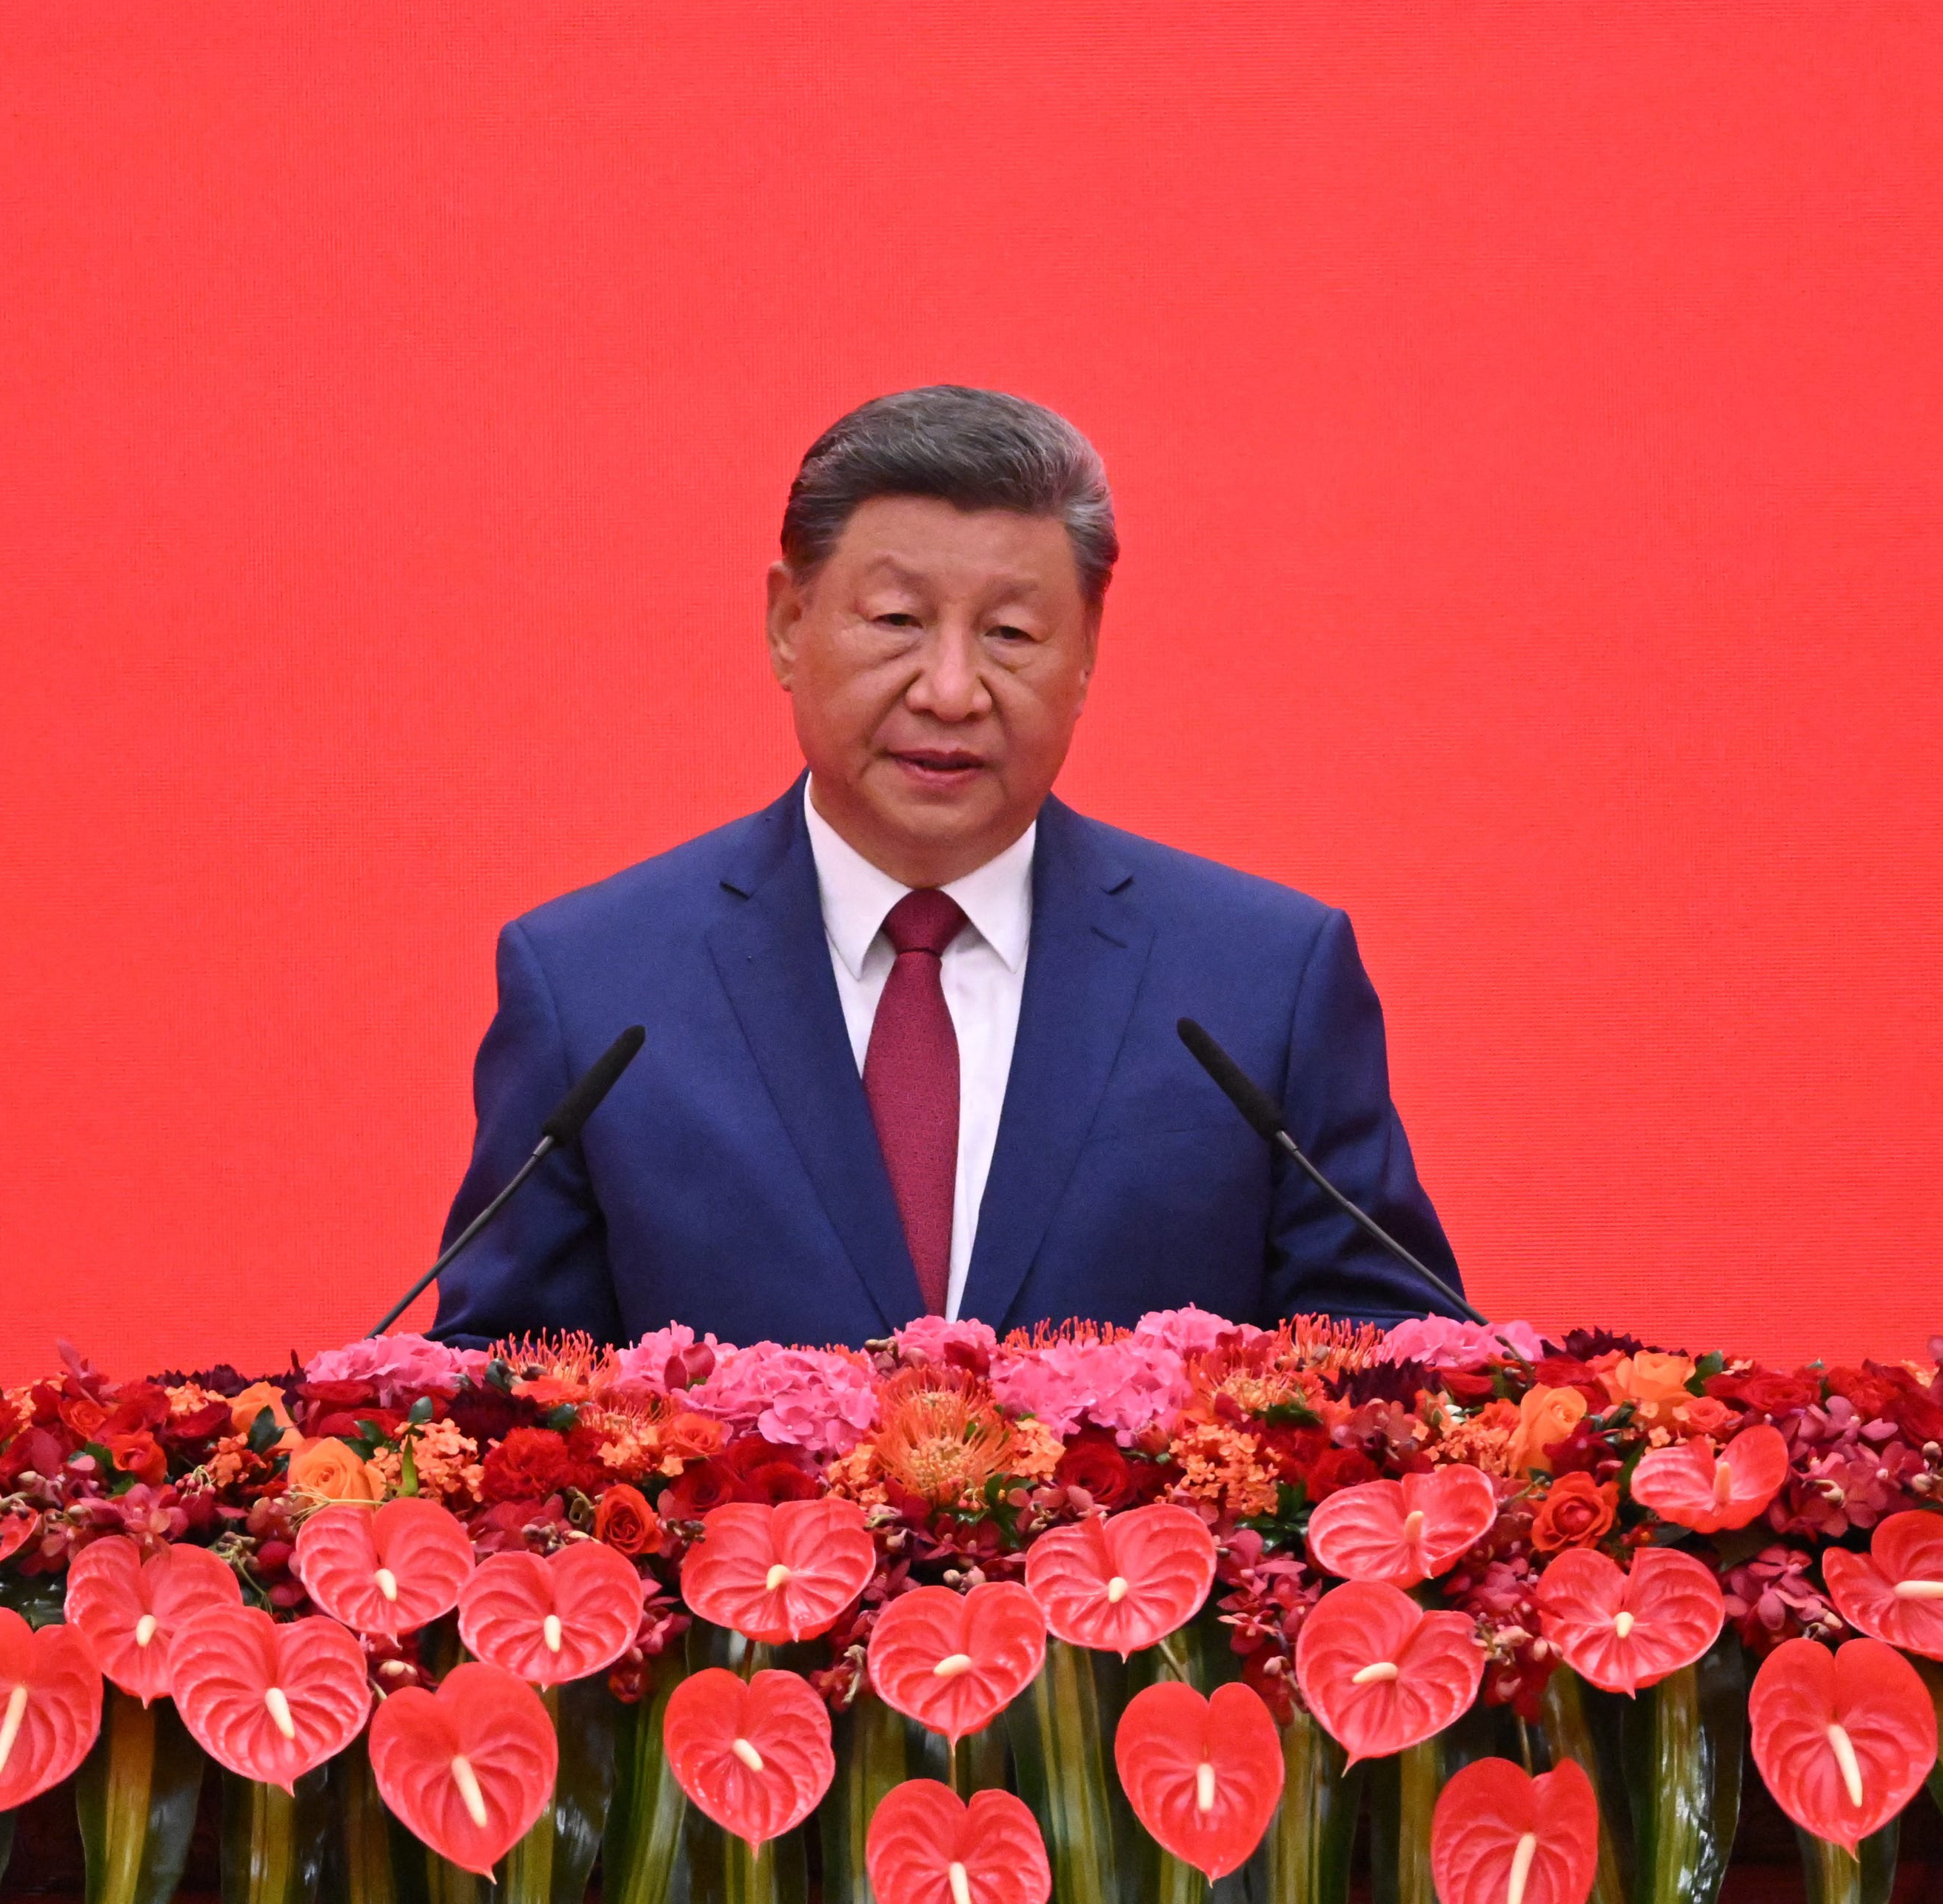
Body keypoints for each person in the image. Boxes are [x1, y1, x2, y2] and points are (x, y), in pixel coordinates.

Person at [432, 385, 1461, 1348]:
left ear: (1087, 653)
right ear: (788, 625)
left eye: (1010, 633)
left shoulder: (1261, 981)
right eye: (897, 622)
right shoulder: (592, 984)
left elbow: (1396, 1370)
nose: (952, 689)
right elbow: (502, 1393)